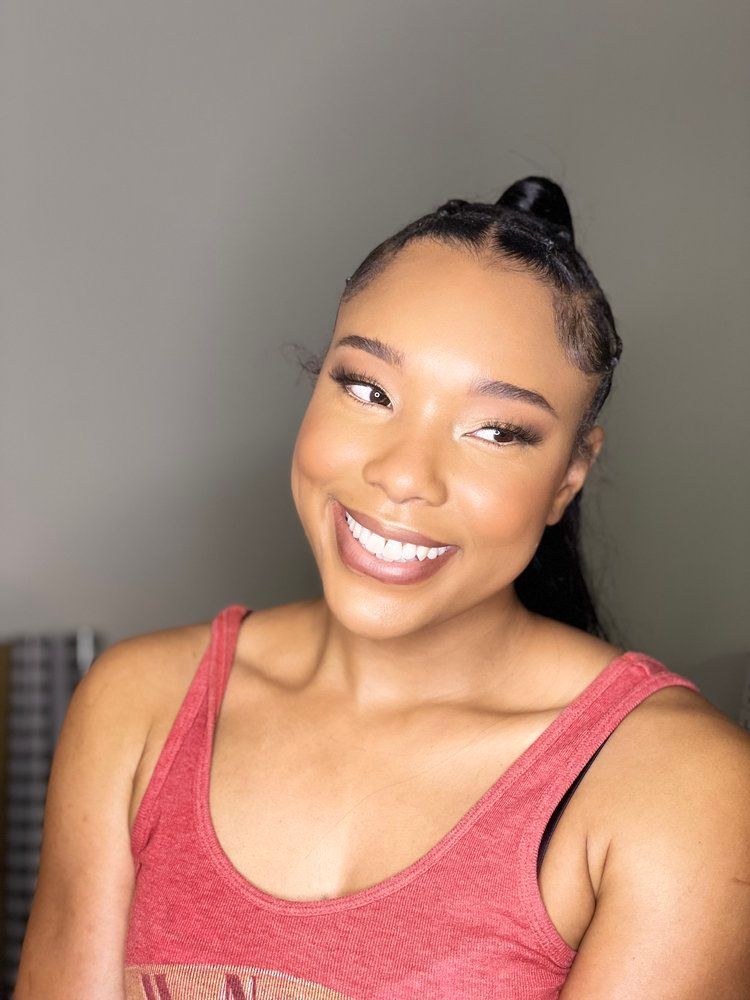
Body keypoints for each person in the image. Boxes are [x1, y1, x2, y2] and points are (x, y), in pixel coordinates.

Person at [16, 177, 750, 999]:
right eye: (368, 390)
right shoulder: (139, 707)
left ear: (569, 476)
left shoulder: (677, 786)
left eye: (496, 431)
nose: (403, 474)